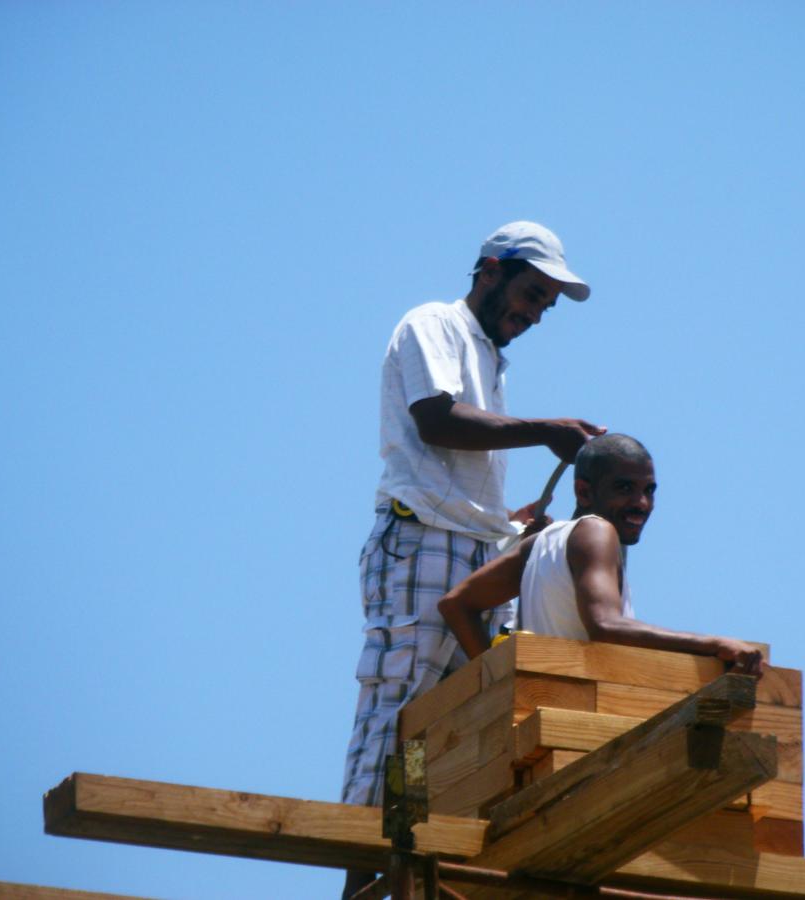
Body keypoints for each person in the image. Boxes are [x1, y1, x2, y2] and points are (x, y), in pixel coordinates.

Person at [340, 222, 603, 897]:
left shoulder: (488, 358)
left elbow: (455, 472)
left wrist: (507, 525)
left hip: (471, 545)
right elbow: (436, 420)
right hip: (422, 541)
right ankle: (357, 880)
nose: (535, 313)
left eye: (545, 305)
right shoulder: (434, 323)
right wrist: (546, 430)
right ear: (490, 271)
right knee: (397, 713)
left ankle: (407, 877)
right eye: (531, 293)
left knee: (448, 728)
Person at [437, 434, 765, 671]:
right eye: (625, 488)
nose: (641, 504)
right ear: (583, 491)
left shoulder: (540, 544)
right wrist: (714, 644)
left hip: (543, 715)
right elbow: (605, 625)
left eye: (649, 491)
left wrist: (498, 684)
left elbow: (457, 604)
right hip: (579, 717)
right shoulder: (596, 531)